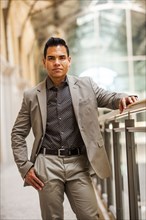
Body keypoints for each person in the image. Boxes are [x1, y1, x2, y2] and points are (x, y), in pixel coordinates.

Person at [11, 37, 138, 220]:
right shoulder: (31, 95)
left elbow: (107, 97)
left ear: (69, 61)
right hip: (47, 164)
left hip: (79, 163)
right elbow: (18, 133)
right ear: (44, 62)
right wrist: (24, 166)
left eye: (62, 58)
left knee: (90, 215)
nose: (57, 63)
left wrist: (122, 98)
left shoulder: (86, 85)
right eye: (52, 58)